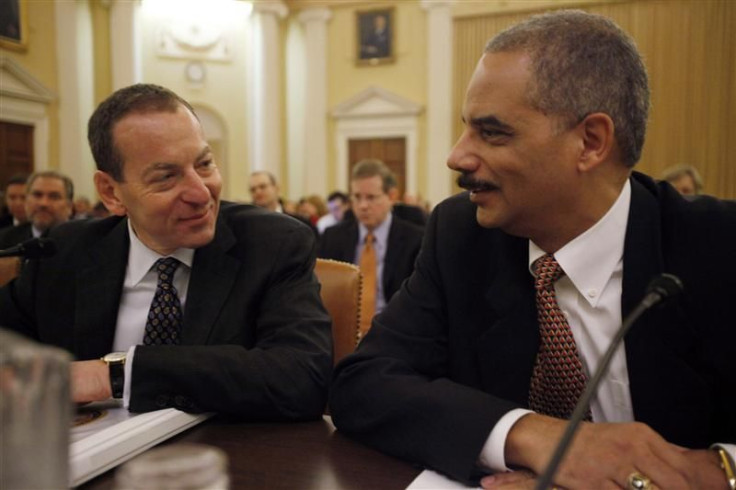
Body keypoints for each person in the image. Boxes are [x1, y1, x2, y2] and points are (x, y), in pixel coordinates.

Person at [330, 10, 735, 490]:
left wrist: (717, 469)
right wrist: (539, 438)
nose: (457, 156)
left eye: (493, 132)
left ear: (590, 142)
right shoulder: (461, 235)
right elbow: (363, 385)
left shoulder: (719, 245)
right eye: (466, 128)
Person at [0, 83, 332, 420]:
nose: (201, 193)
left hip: (225, 461)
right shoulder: (64, 252)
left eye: (204, 164)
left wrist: (118, 374)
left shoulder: (272, 243)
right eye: (167, 177)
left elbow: (303, 378)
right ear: (111, 193)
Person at [319, 159, 424, 334]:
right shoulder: (333, 237)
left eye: (371, 197)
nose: (362, 206)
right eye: (357, 197)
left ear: (391, 197)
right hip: (342, 334)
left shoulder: (415, 240)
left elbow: (417, 305)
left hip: (394, 334)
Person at [0, 170, 74, 248]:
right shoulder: (4, 240)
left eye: (54, 196)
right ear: (27, 201)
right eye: (37, 195)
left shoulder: (83, 241)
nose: (43, 203)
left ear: (69, 206)